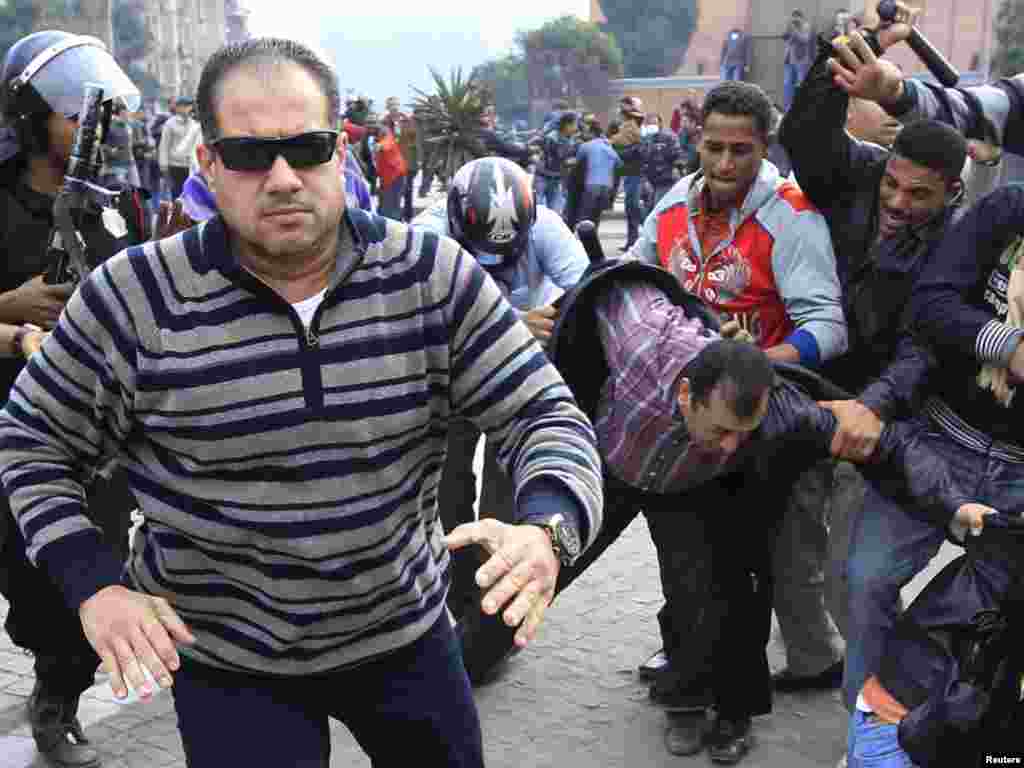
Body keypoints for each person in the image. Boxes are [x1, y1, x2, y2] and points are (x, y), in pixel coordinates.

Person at [0, 37, 604, 768]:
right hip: (230, 660)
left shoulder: (430, 277)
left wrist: (548, 528)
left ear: (341, 156)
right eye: (252, 155)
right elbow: (33, 440)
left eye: (309, 147)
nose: (284, 177)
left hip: (405, 636)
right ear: (209, 165)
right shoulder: (135, 299)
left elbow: (543, 411)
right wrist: (93, 585)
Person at [454, 248, 989, 764]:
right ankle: (457, 664)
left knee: (706, 596)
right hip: (609, 470)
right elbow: (609, 281)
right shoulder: (639, 338)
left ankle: (705, 706)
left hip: (689, 490)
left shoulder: (782, 411)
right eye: (721, 429)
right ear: (686, 394)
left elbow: (884, 443)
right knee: (531, 567)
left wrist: (952, 506)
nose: (732, 444)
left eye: (744, 432)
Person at [779, 24, 979, 725]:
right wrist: (853, 44)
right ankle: (820, 663)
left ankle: (879, 713)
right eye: (892, 185)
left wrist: (870, 412)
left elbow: (926, 351)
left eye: (918, 197)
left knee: (853, 580)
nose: (897, 205)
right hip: (813, 387)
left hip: (889, 420)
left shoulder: (963, 245)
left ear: (952, 193)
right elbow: (804, 135)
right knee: (791, 551)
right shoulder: (858, 174)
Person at [631, 80, 850, 716]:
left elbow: (828, 328)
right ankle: (686, 655)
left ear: (764, 148)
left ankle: (735, 697)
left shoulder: (792, 216)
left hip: (760, 425)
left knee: (749, 566)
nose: (725, 165)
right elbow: (636, 272)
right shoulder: (672, 204)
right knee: (681, 552)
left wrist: (760, 359)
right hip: (684, 419)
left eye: (742, 151)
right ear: (696, 139)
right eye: (714, 147)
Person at [0, 29, 148, 768]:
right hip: (9, 429)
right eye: (71, 113)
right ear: (31, 119)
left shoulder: (118, 209)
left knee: (87, 573)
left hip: (98, 436)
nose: (92, 127)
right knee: (26, 580)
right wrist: (12, 313)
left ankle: (57, 697)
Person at [412, 156, 589, 625]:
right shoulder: (423, 239)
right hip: (447, 369)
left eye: (506, 256)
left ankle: (497, 596)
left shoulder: (547, 227)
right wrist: (512, 324)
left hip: (515, 375)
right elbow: (411, 320)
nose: (498, 266)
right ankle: (453, 589)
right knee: (444, 488)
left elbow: (587, 290)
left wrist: (557, 321)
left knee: (506, 491)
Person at [570, 121, 621, 233]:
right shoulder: (610, 149)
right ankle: (592, 242)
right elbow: (619, 165)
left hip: (591, 186)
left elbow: (577, 164)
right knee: (595, 218)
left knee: (584, 217)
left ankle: (581, 243)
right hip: (607, 188)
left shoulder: (585, 146)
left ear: (591, 133)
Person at [610, 97, 646, 251]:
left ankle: (637, 238)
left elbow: (620, 142)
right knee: (631, 206)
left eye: (621, 109)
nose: (619, 112)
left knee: (632, 206)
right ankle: (632, 241)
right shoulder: (627, 124)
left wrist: (612, 143)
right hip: (631, 172)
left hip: (635, 172)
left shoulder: (632, 124)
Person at [158, 96, 200, 200]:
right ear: (178, 108)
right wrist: (164, 167)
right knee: (177, 196)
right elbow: (164, 146)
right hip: (175, 166)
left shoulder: (194, 124)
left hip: (191, 166)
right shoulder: (170, 124)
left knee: (190, 197)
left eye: (189, 106)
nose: (188, 109)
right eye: (185, 106)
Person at [372, 117, 406, 220]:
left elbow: (387, 144)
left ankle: (395, 227)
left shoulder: (387, 137)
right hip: (387, 178)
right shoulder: (378, 137)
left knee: (391, 208)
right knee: (385, 207)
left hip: (395, 177)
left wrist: (379, 146)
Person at [783, 10, 814, 111]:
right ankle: (788, 108)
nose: (795, 19)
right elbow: (785, 37)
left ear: (801, 18)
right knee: (787, 84)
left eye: (797, 17)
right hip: (789, 60)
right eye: (793, 17)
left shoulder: (806, 26)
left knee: (800, 84)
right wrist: (789, 30)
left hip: (801, 60)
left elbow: (805, 39)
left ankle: (801, 108)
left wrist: (795, 31)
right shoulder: (791, 26)